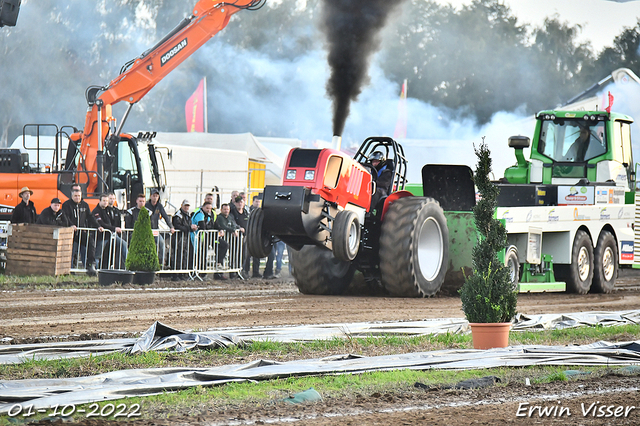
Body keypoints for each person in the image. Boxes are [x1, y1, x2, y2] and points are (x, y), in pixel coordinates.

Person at [62, 184, 101, 276]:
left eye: (79, 196)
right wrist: (71, 225)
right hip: (71, 232)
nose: (77, 197)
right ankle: (69, 270)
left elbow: (90, 217)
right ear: (72, 196)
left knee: (91, 244)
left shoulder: (85, 205)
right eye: (75, 196)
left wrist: (98, 226)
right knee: (71, 251)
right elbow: (65, 217)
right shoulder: (66, 205)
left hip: (82, 232)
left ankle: (90, 265)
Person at [192, 201, 228, 280]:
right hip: (201, 237)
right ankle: (202, 274)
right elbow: (202, 226)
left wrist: (220, 230)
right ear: (203, 207)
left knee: (224, 245)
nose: (209, 210)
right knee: (202, 255)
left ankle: (218, 263)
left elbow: (216, 224)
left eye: (210, 208)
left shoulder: (213, 213)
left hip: (211, 236)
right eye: (207, 208)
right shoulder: (199, 213)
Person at [92, 193, 127, 269]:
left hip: (110, 235)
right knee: (98, 254)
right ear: (99, 201)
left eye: (106, 201)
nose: (105, 202)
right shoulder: (96, 211)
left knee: (123, 244)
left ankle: (127, 265)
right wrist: (114, 228)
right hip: (101, 237)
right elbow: (102, 223)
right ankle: (97, 270)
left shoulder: (108, 210)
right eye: (104, 201)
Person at [145, 189, 175, 267]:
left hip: (155, 230)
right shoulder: (146, 205)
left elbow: (165, 217)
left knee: (161, 243)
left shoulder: (160, 206)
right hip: (147, 230)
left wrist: (171, 226)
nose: (155, 198)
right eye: (154, 196)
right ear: (150, 196)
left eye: (157, 196)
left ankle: (160, 263)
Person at [171, 199, 197, 280]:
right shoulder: (178, 215)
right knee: (177, 255)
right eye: (185, 205)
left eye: (188, 206)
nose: (186, 207)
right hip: (178, 238)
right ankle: (175, 274)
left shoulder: (187, 215)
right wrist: (189, 228)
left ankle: (182, 273)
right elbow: (177, 225)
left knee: (184, 255)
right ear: (181, 205)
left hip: (185, 238)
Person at [231, 196, 249, 278]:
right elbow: (232, 222)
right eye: (238, 202)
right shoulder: (232, 212)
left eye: (241, 202)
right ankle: (233, 272)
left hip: (244, 237)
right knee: (234, 254)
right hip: (235, 237)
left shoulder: (246, 212)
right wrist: (238, 228)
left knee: (244, 255)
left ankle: (242, 270)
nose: (240, 204)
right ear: (235, 203)